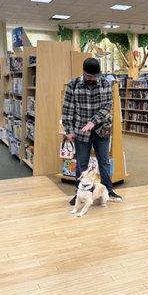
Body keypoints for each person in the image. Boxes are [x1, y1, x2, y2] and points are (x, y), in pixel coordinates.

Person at [62, 58, 123, 205]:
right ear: (83, 72)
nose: (92, 79)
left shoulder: (106, 84)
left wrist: (93, 121)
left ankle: (108, 189)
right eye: (89, 76)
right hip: (81, 131)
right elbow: (67, 109)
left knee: (104, 162)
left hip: (102, 129)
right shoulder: (73, 85)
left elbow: (107, 106)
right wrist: (68, 130)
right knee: (82, 164)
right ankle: (80, 193)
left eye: (95, 76)